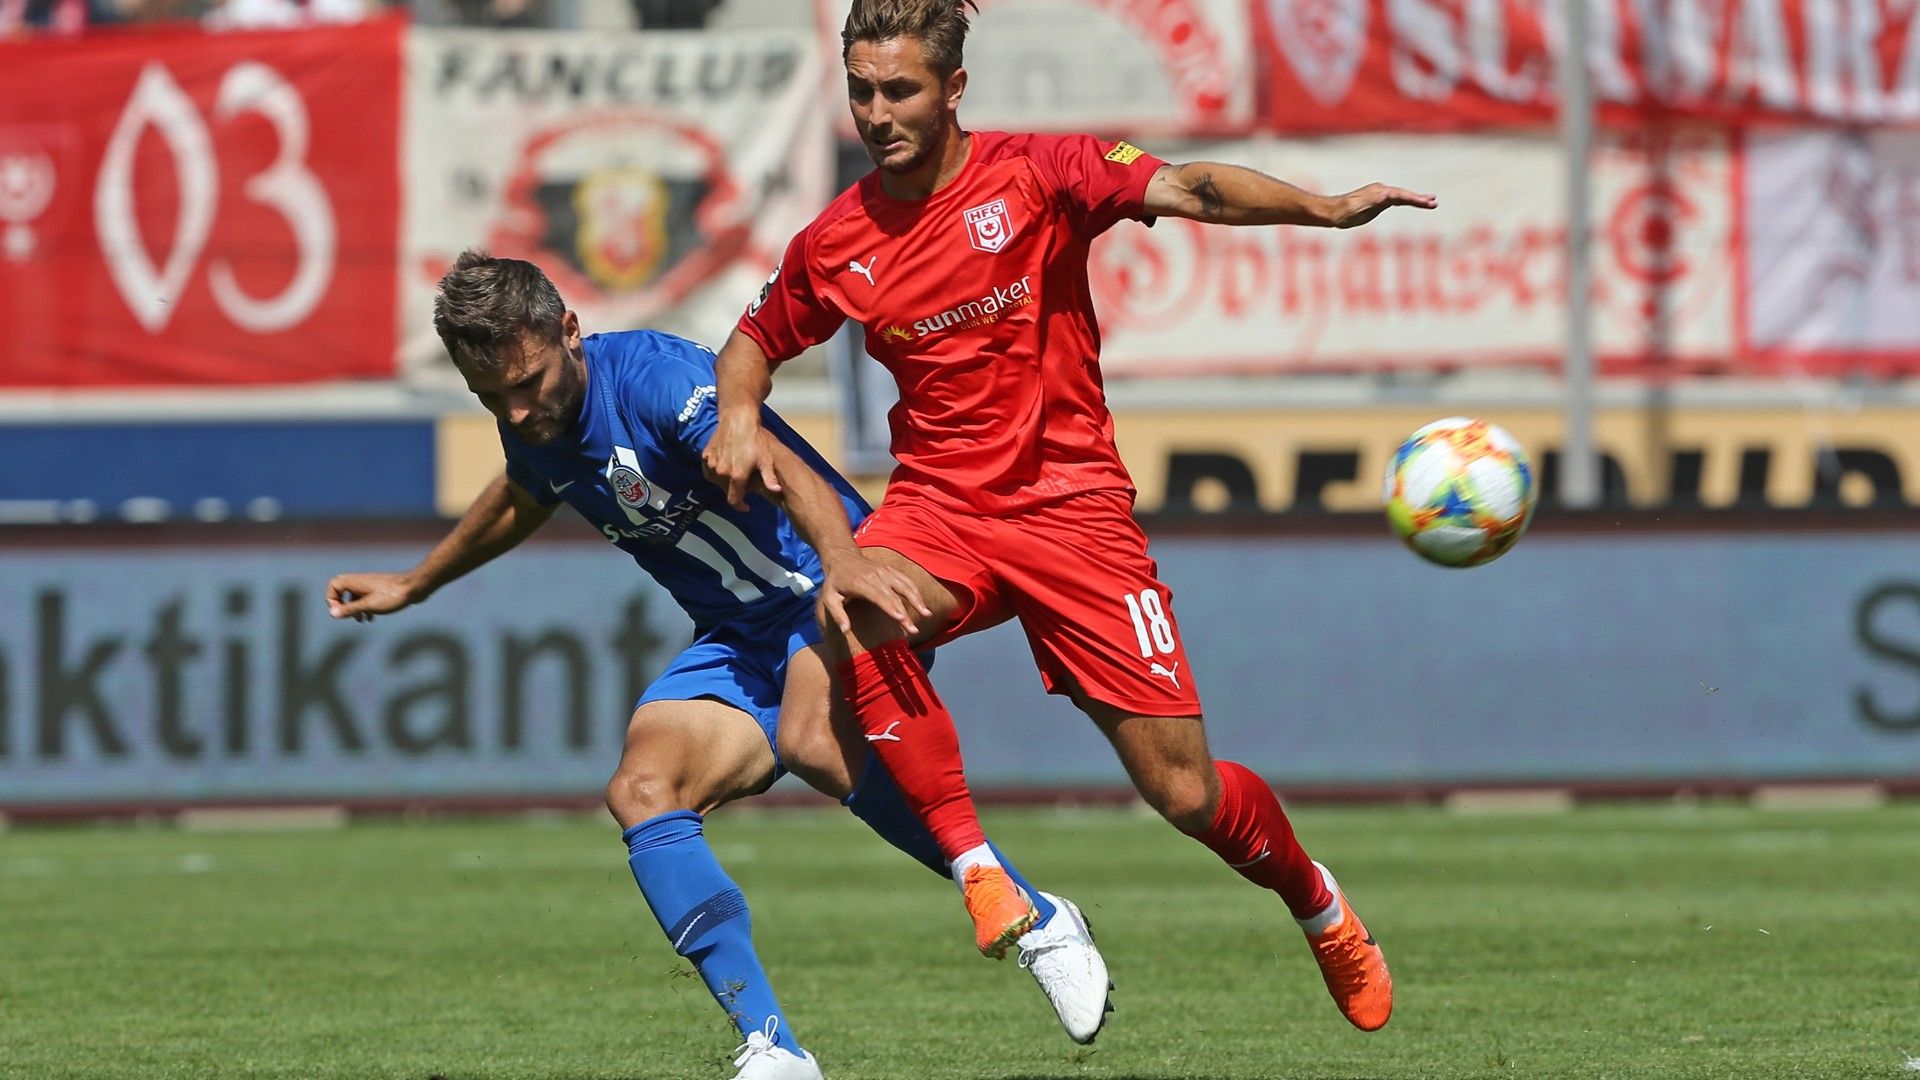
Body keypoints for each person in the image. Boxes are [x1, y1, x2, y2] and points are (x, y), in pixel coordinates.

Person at [702, 0, 1439, 1034]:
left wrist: (1322, 209)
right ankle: (982, 873)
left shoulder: (1042, 172)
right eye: (862, 91)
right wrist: (737, 413)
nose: (877, 112)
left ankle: (1317, 903)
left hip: (1075, 514)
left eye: (900, 89)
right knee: (853, 604)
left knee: (1185, 795)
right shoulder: (838, 239)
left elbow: (1191, 186)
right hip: (943, 509)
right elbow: (750, 344)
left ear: (953, 89)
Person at [325, 252, 1113, 1080]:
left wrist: (846, 565)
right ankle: (775, 1047)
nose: (516, 411)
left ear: (570, 331)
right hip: (740, 637)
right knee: (643, 790)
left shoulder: (660, 384)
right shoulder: (534, 416)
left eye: (526, 384)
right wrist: (416, 582)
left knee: (813, 739)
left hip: (830, 588)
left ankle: (1035, 919)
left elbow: (786, 470)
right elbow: (525, 489)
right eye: (491, 397)